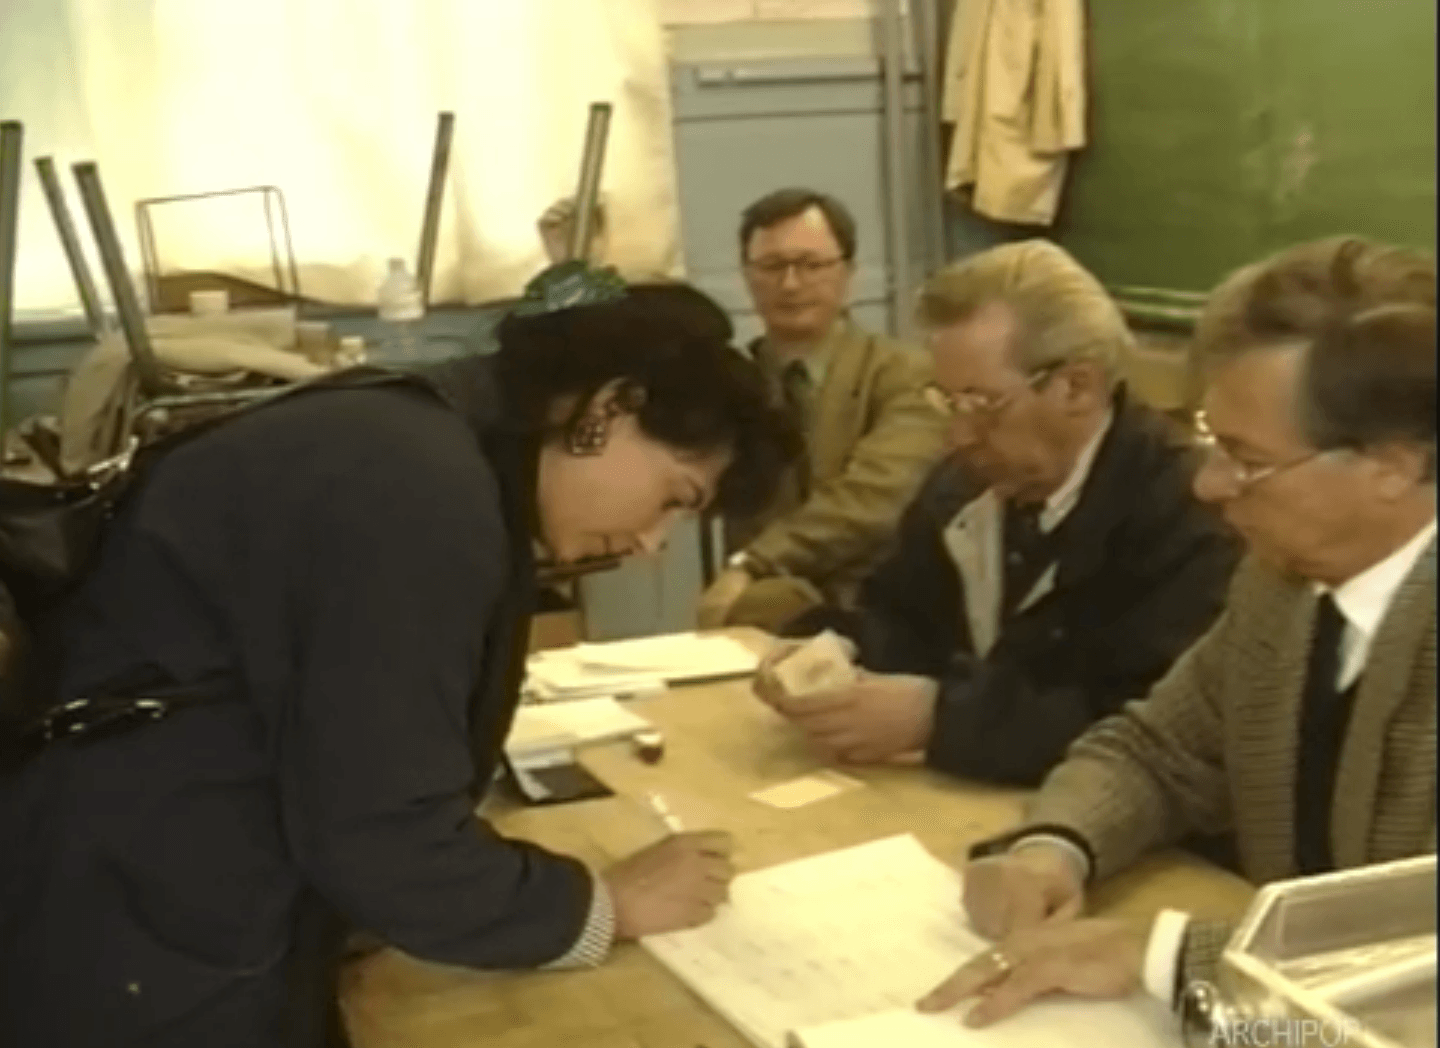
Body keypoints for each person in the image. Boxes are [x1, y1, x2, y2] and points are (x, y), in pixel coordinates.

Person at [0, 277, 801, 1048]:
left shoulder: (411, 436)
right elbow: (382, 838)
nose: (652, 545)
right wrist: (598, 905)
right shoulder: (419, 488)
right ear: (609, 408)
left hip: (135, 882)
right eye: (674, 496)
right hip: (141, 934)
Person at [917, 236, 1436, 1031]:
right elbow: (1158, 749)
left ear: (1392, 467)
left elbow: (1414, 953)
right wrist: (1056, 845)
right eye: (1208, 440)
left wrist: (1170, 958)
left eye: (1245, 458)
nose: (1207, 484)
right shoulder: (1283, 585)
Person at [755, 240, 1239, 787]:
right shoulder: (965, 484)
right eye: (946, 402)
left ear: (1076, 386)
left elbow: (1152, 726)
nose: (959, 435)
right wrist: (833, 648)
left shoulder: (1187, 511)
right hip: (962, 799)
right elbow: (903, 620)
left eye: (983, 404)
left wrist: (939, 720)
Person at [695, 188, 948, 631]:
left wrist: (752, 562)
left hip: (882, 618)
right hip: (761, 614)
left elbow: (875, 499)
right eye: (772, 266)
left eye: (811, 265)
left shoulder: (907, 375)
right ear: (746, 276)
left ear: (849, 272)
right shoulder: (734, 385)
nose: (791, 284)